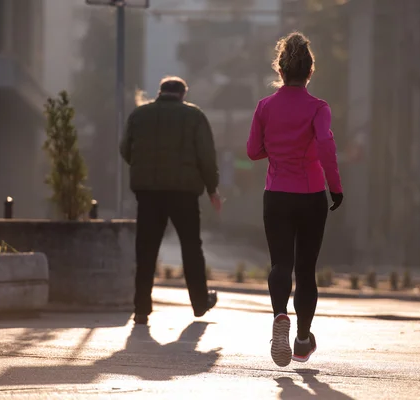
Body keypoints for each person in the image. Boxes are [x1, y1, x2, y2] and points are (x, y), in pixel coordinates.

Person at [246, 33, 344, 367]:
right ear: (309, 71)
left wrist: (275, 151)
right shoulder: (319, 108)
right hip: (312, 194)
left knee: (280, 264)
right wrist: (336, 187)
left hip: (276, 194)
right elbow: (326, 147)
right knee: (306, 269)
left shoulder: (265, 106)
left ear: (281, 69)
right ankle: (302, 340)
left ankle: (278, 316)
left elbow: (252, 151)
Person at [120, 76, 221, 325]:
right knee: (191, 247)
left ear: (160, 92)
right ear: (182, 94)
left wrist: (143, 167)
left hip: (148, 194)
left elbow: (125, 149)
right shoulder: (194, 116)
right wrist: (212, 189)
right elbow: (206, 156)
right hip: (184, 194)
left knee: (146, 249)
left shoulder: (139, 115)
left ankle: (141, 308)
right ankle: (199, 303)